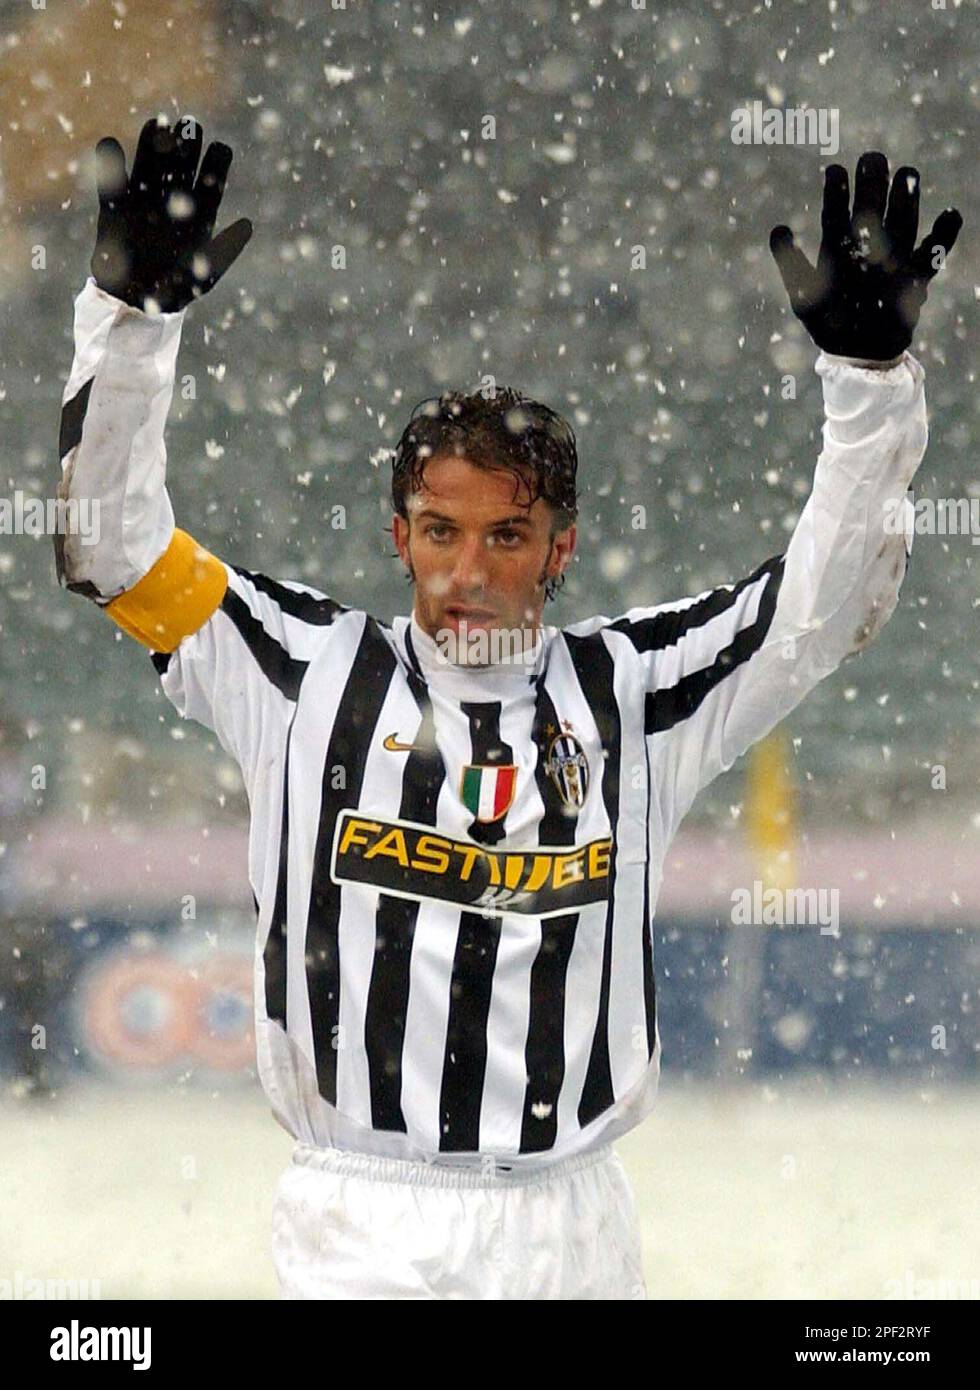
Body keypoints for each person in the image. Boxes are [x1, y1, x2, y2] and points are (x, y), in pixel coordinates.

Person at [55, 114, 961, 1299]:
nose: (468, 571)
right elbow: (110, 547)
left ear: (560, 547)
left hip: (568, 1227)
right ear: (399, 536)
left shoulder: (636, 692)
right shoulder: (290, 667)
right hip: (361, 1223)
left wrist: (867, 385)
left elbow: (820, 606)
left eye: (505, 534)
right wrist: (129, 322)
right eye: (439, 531)